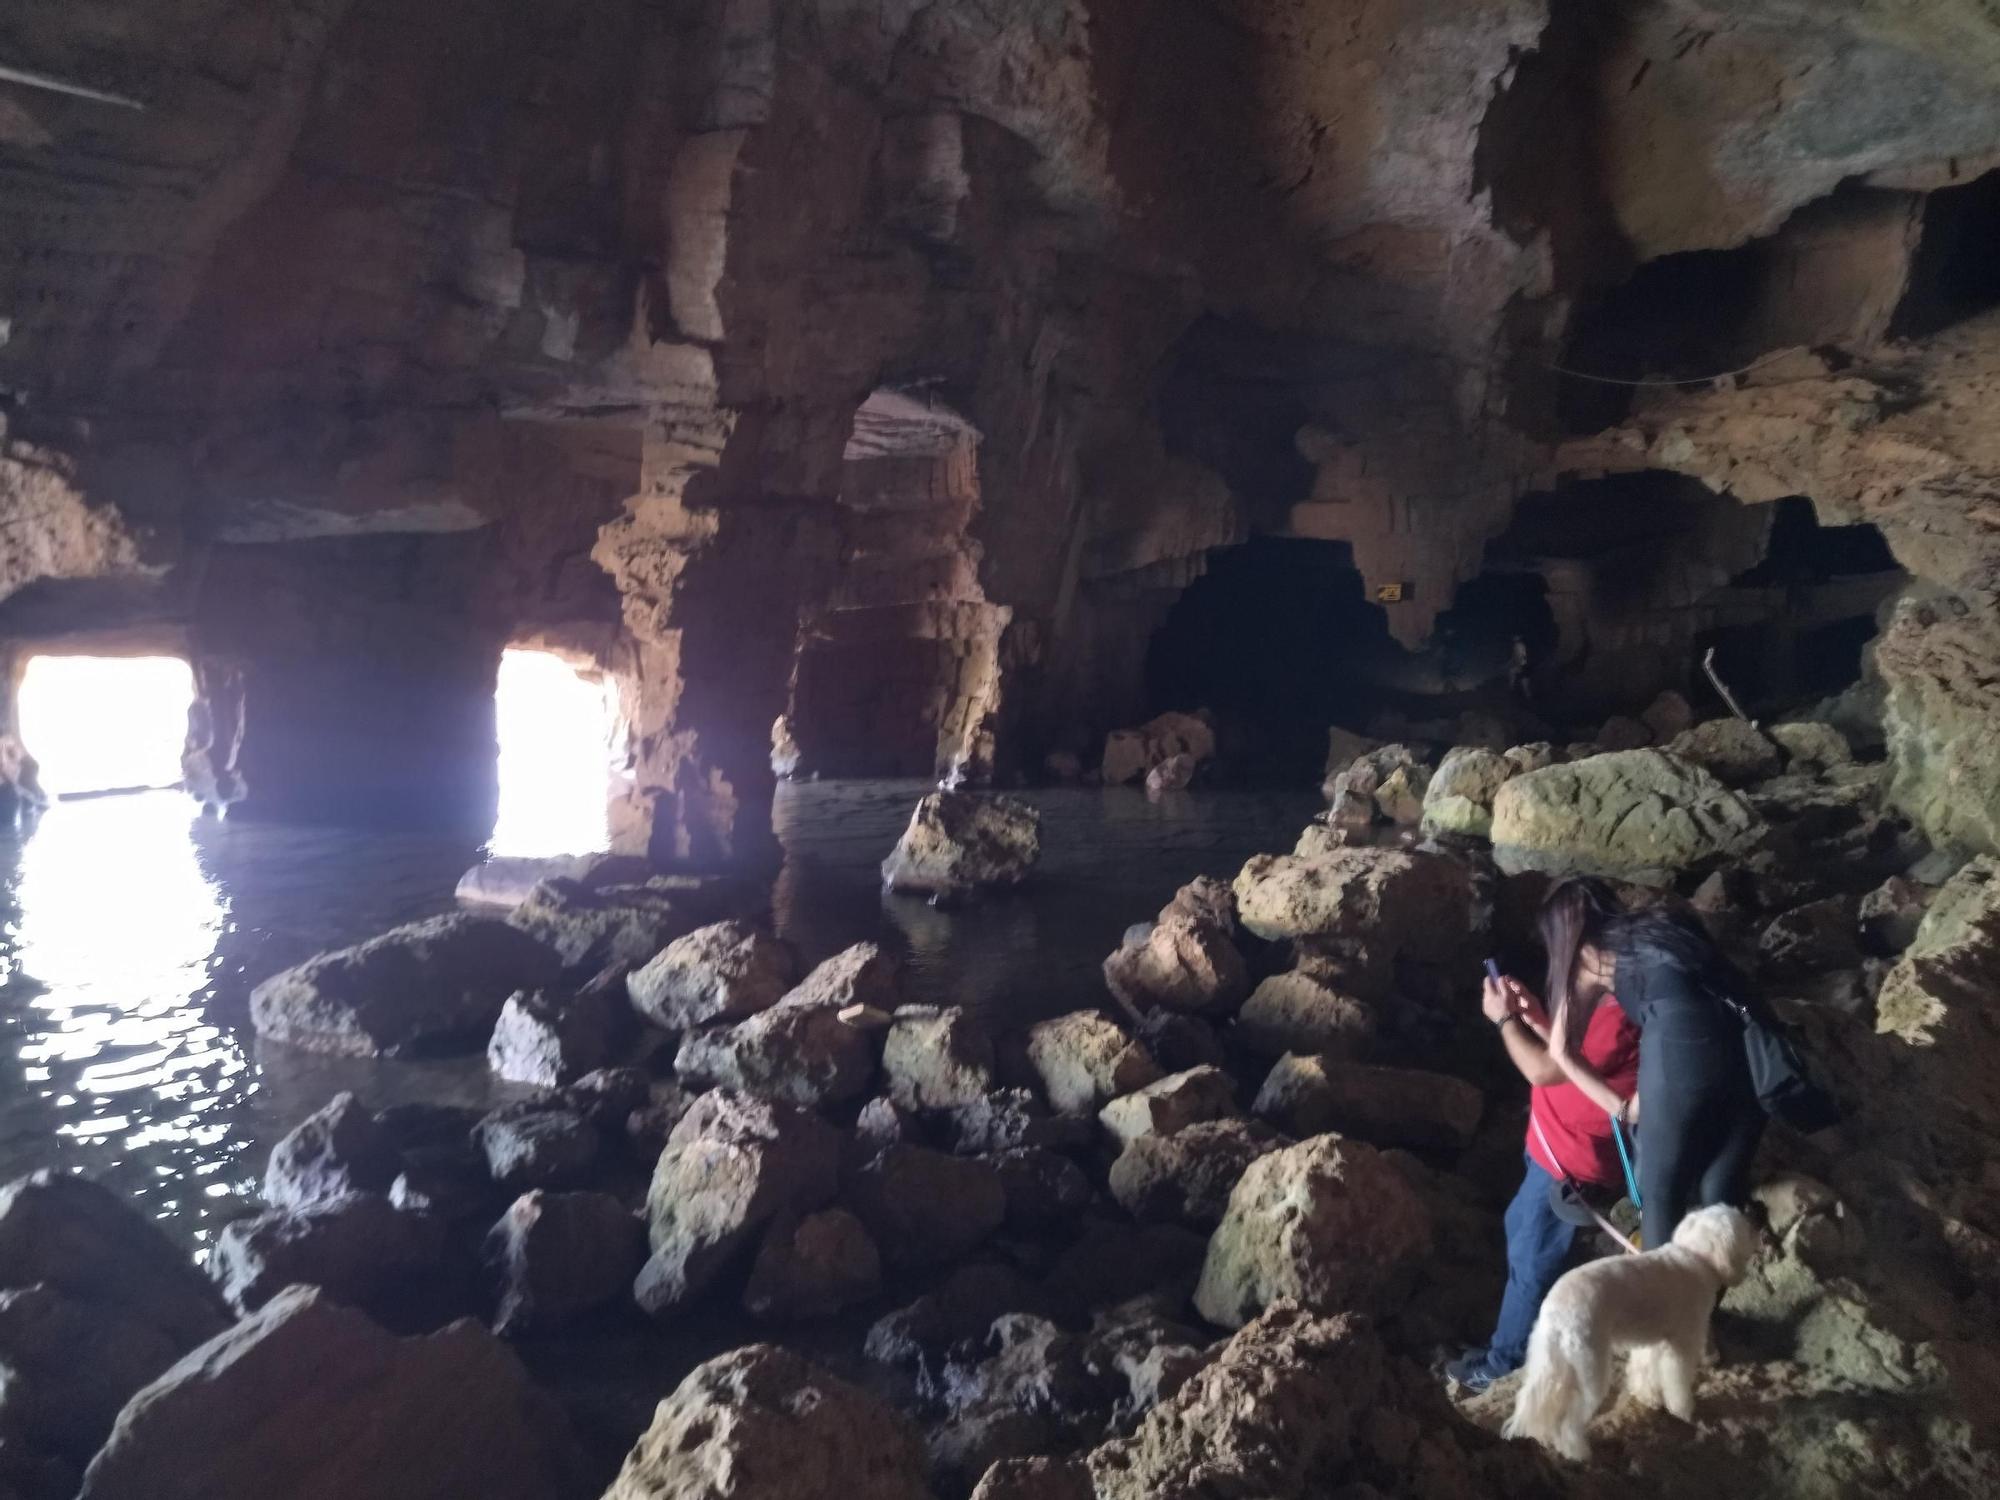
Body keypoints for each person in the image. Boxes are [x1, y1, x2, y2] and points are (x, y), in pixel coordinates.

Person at [1445, 905, 1641, 1394]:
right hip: (1553, 1149)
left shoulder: (1619, 1014)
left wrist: (1504, 1021)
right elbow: (1570, 1055)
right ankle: (1517, 1345)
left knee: (1531, 1264)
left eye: (1576, 953)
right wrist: (1535, 1015)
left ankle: (1503, 1366)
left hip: (1570, 1166)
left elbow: (1544, 1070)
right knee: (1524, 1237)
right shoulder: (1617, 997)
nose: (1568, 964)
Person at [1535, 876, 1765, 1254]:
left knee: (1659, 1191)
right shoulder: (1662, 925)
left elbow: (1560, 1051)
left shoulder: (1589, 960)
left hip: (1685, 1051)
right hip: (1752, 1048)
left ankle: (1667, 1296)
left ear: (1566, 937)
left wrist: (1622, 1108)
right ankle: (1713, 1290)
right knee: (1721, 1191)